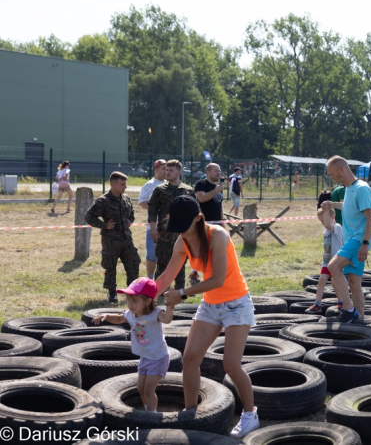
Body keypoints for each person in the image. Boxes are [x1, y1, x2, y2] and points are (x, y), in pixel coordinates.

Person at [158, 196, 258, 438]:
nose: (182, 231)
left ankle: (250, 414)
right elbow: (165, 277)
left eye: (185, 225)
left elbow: (218, 279)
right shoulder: (182, 241)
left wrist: (181, 294)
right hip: (211, 305)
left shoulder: (218, 236)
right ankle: (190, 412)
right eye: (177, 226)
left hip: (237, 304)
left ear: (198, 218)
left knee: (231, 365)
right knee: (190, 359)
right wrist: (141, 295)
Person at [92, 277, 174, 412]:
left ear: (148, 301)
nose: (130, 304)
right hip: (145, 357)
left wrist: (170, 306)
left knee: (148, 390)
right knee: (140, 388)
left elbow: (167, 320)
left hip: (158, 357)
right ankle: (147, 411)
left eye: (135, 300)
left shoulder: (155, 313)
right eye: (128, 299)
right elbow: (119, 318)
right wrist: (105, 315)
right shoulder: (131, 314)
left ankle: (152, 417)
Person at [322, 156, 371, 323]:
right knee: (353, 282)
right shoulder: (349, 189)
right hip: (353, 240)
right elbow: (349, 206)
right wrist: (332, 204)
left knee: (333, 266)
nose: (332, 178)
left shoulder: (362, 189)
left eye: (332, 174)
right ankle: (360, 320)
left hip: (359, 239)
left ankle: (348, 309)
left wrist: (365, 244)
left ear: (341, 170)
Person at [86, 172, 141, 303]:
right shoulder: (103, 201)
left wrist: (129, 221)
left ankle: (132, 292)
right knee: (110, 267)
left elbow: (131, 213)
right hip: (111, 240)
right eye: (122, 184)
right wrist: (104, 225)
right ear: (113, 184)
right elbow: (89, 216)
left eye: (125, 184)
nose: (125, 187)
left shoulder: (126, 198)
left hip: (127, 239)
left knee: (134, 264)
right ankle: (112, 293)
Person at [148, 160, 195, 290]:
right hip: (164, 233)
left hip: (182, 233)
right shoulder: (159, 190)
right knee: (162, 262)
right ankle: (159, 290)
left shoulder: (188, 190)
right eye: (166, 170)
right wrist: (153, 229)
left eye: (171, 170)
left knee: (181, 262)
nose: (167, 173)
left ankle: (180, 290)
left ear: (179, 172)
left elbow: (194, 213)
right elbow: (152, 210)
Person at [308, 205, 344, 313]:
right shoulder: (326, 230)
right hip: (326, 261)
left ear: (332, 216)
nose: (323, 223)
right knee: (321, 281)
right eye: (321, 221)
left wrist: (327, 209)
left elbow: (329, 225)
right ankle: (317, 304)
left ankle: (341, 301)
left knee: (334, 282)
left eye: (324, 220)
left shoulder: (337, 227)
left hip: (336, 262)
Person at [139, 160, 166, 279]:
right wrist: (156, 207)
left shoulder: (170, 184)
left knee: (167, 254)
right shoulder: (149, 185)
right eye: (164, 168)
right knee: (152, 254)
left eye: (168, 169)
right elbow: (142, 202)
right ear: (156, 169)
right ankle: (150, 278)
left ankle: (163, 279)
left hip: (168, 227)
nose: (166, 171)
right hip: (153, 226)